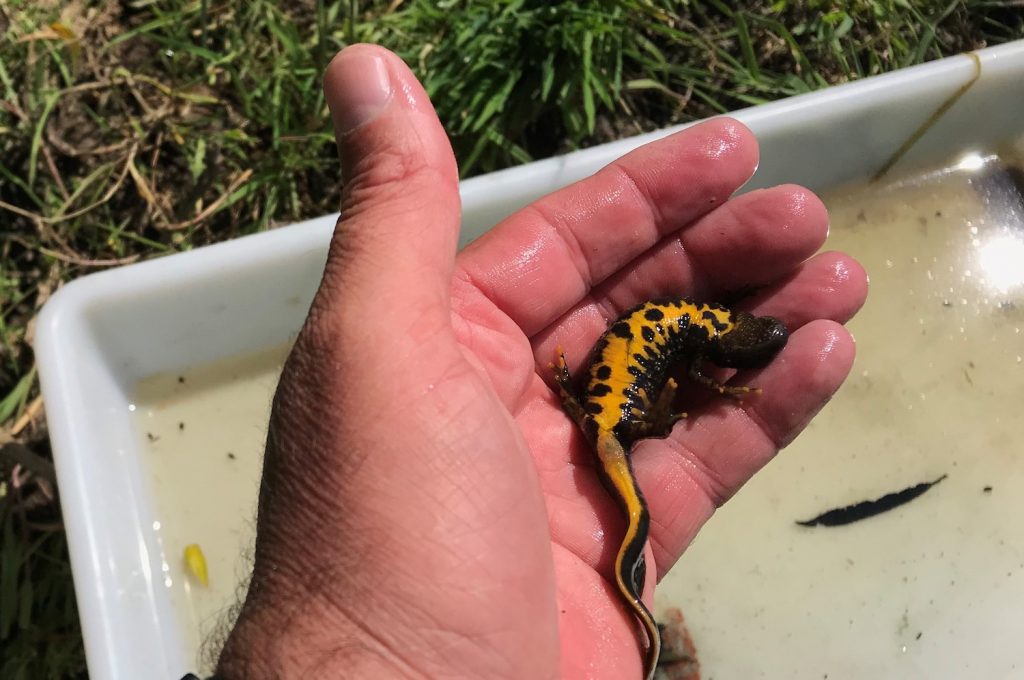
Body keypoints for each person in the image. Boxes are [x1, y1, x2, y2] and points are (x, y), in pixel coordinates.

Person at [211, 44, 868, 679]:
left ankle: (634, 610)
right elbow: (688, 371)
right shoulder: (694, 344)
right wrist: (697, 393)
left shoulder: (697, 335)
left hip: (610, 411)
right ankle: (634, 610)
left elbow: (685, 369)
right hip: (611, 412)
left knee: (633, 488)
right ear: (735, 328)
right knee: (634, 478)